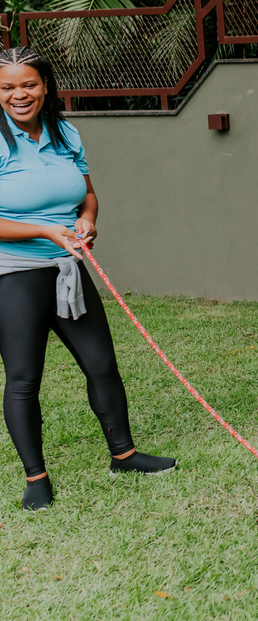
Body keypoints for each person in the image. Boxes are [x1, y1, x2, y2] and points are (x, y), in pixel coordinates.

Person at [0, 47, 175, 511]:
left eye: (29, 84)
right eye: (7, 87)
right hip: (13, 274)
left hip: (67, 269)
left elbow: (88, 194)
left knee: (101, 364)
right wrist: (42, 229)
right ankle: (36, 478)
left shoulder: (65, 132)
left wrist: (87, 221)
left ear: (45, 87)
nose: (19, 94)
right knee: (23, 379)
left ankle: (125, 455)